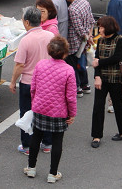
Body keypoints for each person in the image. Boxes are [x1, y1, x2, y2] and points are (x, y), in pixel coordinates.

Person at [24, 36, 76, 183]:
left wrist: (35, 103)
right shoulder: (68, 70)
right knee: (57, 140)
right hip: (59, 111)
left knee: (36, 136)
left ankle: (31, 168)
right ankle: (52, 174)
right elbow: (71, 97)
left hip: (40, 108)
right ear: (65, 53)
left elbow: (33, 88)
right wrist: (72, 114)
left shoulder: (40, 65)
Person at [10, 7, 54, 154]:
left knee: (26, 112)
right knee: (47, 112)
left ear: (27, 22)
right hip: (48, 82)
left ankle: (27, 146)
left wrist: (12, 81)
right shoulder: (50, 36)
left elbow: (20, 65)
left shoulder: (26, 40)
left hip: (29, 83)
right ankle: (47, 143)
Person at [90, 16, 122, 148]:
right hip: (102, 78)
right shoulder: (100, 40)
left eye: (101, 27)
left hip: (116, 78)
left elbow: (117, 57)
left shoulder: (120, 40)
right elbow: (96, 59)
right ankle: (96, 136)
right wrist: (97, 76)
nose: (99, 30)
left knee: (118, 105)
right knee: (98, 106)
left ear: (108, 27)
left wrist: (100, 62)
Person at [63, 0, 94, 97]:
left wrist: (86, 37)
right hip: (84, 42)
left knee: (72, 65)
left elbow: (78, 28)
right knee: (81, 63)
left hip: (74, 42)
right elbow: (91, 20)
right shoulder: (85, 3)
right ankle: (85, 85)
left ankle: (77, 88)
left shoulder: (72, 9)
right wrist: (89, 36)